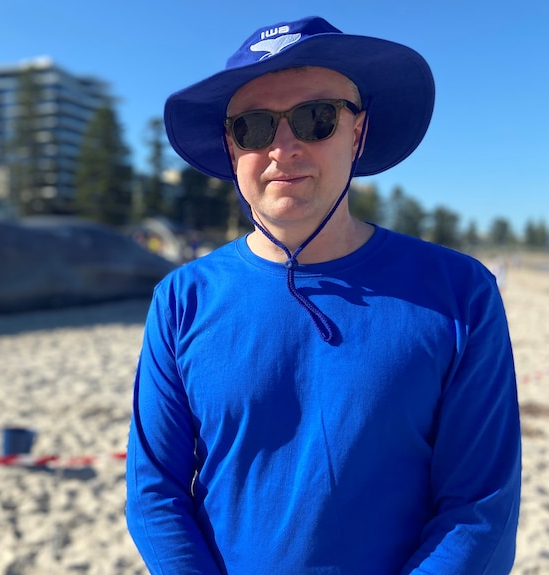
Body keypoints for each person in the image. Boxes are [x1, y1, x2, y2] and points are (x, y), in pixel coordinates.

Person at [125, 16, 520, 574]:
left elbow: (479, 510)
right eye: (254, 127)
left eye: (316, 119)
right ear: (231, 146)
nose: (282, 148)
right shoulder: (180, 299)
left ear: (357, 133)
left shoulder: (460, 293)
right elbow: (155, 495)